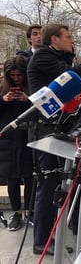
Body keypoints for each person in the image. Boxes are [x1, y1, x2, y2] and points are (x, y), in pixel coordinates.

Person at [27, 23, 81, 255]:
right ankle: (42, 240)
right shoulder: (43, 56)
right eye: (69, 36)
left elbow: (78, 81)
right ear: (54, 40)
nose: (72, 40)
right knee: (50, 183)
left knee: (73, 178)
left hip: (63, 126)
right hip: (45, 129)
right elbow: (69, 78)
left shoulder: (58, 56)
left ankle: (78, 222)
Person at [0, 56, 34, 231]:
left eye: (19, 75)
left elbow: (40, 107)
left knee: (29, 175)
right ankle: (17, 212)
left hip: (27, 134)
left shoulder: (32, 84)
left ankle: (29, 210)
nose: (16, 79)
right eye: (12, 75)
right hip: (8, 137)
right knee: (11, 177)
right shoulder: (2, 87)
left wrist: (26, 99)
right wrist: (4, 100)